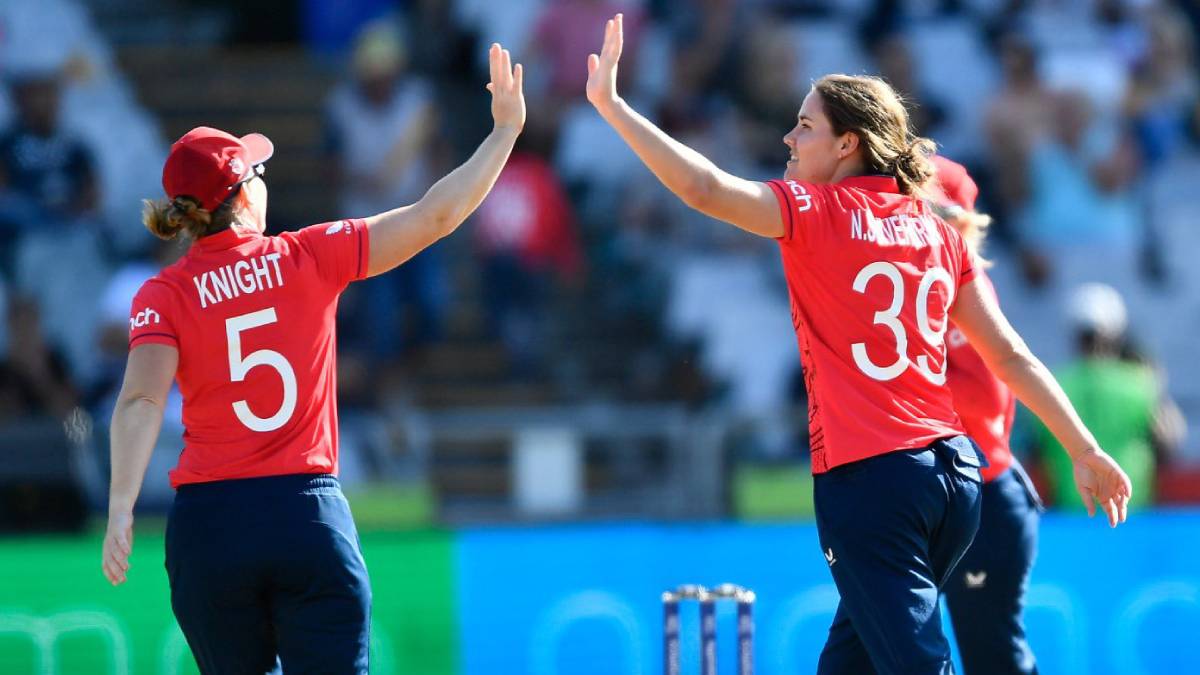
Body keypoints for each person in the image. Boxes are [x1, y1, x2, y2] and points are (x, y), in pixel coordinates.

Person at [584, 14, 1131, 674]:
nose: (789, 138)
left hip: (873, 479)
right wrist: (1084, 448)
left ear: (848, 144)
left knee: (916, 663)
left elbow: (702, 187)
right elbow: (1010, 354)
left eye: (805, 126)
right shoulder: (938, 233)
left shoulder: (813, 212)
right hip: (956, 480)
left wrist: (615, 108)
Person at [100, 43, 524, 673]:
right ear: (242, 194)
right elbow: (435, 216)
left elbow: (140, 400)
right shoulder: (309, 255)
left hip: (209, 528)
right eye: (257, 173)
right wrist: (504, 133)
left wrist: (121, 507)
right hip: (305, 513)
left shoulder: (164, 293)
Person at [930, 156, 1041, 675]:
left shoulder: (962, 289)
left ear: (957, 223)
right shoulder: (933, 287)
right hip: (951, 496)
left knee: (993, 660)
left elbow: (983, 401)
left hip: (983, 497)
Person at [1033, 282, 1183, 510]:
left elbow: (1036, 450)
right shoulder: (1142, 383)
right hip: (1132, 511)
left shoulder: (1050, 384)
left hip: (1070, 513)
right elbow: (1168, 442)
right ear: (1117, 333)